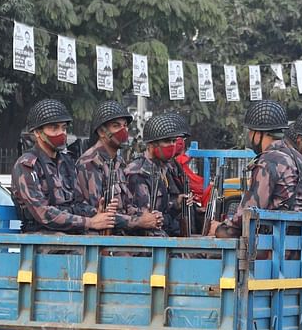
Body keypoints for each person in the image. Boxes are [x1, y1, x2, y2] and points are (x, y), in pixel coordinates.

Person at [11, 99, 116, 233]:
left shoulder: (67, 162)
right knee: (84, 250)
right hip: (40, 237)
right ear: (37, 132)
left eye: (64, 128)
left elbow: (78, 203)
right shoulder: (27, 165)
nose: (61, 133)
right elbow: (42, 213)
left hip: (70, 232)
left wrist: (97, 213)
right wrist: (90, 222)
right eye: (54, 128)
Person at [213, 101, 302, 238]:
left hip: (277, 243)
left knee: (220, 236)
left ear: (260, 134)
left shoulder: (269, 160)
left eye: (251, 132)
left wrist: (220, 228)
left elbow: (249, 211)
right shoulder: (297, 157)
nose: (249, 137)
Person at [75, 100, 161, 234]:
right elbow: (96, 212)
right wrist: (137, 221)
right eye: (116, 126)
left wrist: (147, 216)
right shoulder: (89, 163)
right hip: (99, 235)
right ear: (102, 132)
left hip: (121, 231)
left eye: (125, 126)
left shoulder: (118, 162)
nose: (123, 130)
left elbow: (127, 206)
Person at [125, 113, 189, 236]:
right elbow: (148, 219)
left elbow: (163, 209)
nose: (172, 145)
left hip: (164, 233)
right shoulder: (138, 172)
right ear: (151, 145)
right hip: (146, 241)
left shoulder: (166, 167)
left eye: (173, 141)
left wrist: (177, 204)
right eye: (166, 141)